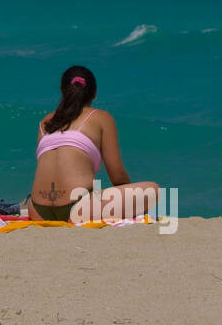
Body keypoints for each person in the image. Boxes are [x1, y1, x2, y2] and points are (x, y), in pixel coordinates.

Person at [27, 65, 159, 224]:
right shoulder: (101, 117)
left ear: (63, 91)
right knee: (153, 190)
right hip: (79, 208)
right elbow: (117, 174)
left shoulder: (46, 121)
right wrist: (128, 199)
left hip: (37, 209)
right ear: (94, 93)